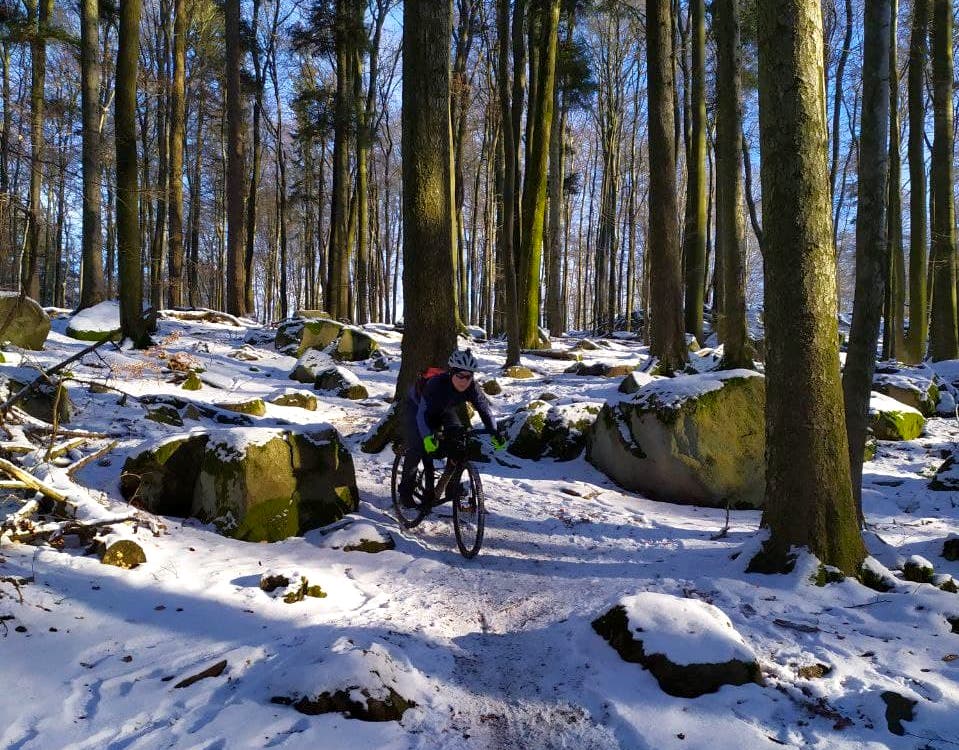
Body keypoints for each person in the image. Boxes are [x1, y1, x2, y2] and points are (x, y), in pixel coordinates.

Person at [398, 348, 506, 507]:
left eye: (468, 376)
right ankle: (405, 493)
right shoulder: (436, 384)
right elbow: (422, 415)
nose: (464, 380)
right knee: (418, 447)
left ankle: (451, 487)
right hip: (417, 409)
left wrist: (494, 432)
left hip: (444, 410)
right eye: (460, 376)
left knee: (458, 441)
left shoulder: (472, 388)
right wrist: (428, 437)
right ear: (451, 373)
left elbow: (484, 410)